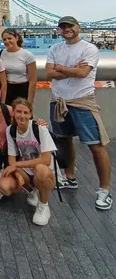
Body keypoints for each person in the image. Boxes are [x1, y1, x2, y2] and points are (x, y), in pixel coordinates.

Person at [46, 15, 112, 210]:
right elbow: (49, 73)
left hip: (82, 101)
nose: (66, 29)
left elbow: (83, 73)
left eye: (70, 26)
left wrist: (60, 68)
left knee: (96, 145)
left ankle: (104, 190)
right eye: (63, 27)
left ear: (78, 27)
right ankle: (70, 177)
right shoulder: (55, 48)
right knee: (64, 140)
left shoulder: (89, 49)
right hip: (59, 101)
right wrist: (72, 69)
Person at [0, 98, 57, 226]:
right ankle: (32, 191)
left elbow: (46, 160)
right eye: (19, 111)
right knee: (4, 186)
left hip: (44, 172)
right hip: (26, 171)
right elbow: (12, 159)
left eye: (25, 112)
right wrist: (16, 172)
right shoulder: (11, 130)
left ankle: (43, 206)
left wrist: (16, 165)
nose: (22, 116)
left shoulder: (39, 128)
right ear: (13, 112)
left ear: (30, 114)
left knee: (40, 169)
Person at [0, 28, 37, 104]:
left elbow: (33, 80)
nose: (7, 41)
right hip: (7, 89)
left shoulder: (27, 55)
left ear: (16, 38)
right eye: (4, 39)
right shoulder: (0, 54)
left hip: (22, 89)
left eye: (9, 38)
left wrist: (30, 101)